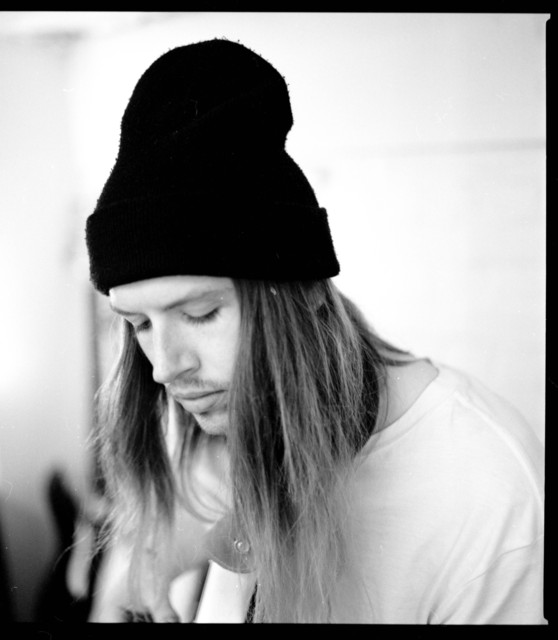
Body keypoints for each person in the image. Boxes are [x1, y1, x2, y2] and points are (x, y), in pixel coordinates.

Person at [84, 38, 545, 624]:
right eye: (139, 324)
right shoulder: (221, 418)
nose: (165, 366)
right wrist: (145, 562)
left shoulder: (487, 493)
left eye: (200, 314)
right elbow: (169, 538)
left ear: (297, 298)